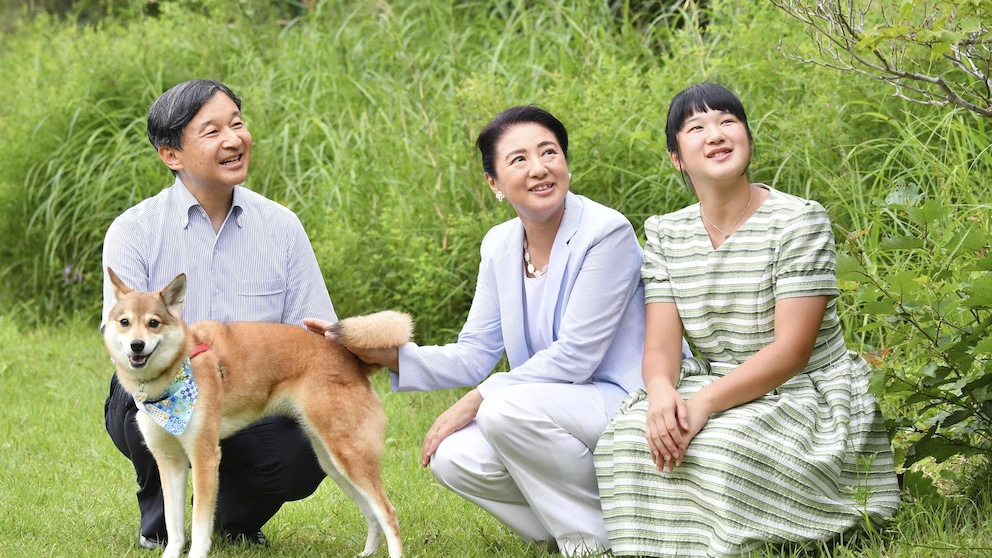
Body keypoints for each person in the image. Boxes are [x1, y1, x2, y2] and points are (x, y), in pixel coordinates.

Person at [306, 105, 690, 556]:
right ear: (494, 183)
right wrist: (383, 354)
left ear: (566, 162)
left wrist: (480, 396)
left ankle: (589, 544)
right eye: (519, 160)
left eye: (549, 152)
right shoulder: (500, 245)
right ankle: (590, 528)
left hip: (624, 397)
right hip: (549, 408)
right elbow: (474, 352)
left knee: (501, 409)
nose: (539, 168)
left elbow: (578, 355)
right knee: (454, 458)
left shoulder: (606, 232)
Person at [593, 82, 902, 557]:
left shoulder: (799, 221)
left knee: (722, 450)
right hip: (718, 381)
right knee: (628, 439)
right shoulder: (666, 233)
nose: (715, 133)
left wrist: (702, 407)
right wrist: (661, 394)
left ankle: (769, 535)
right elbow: (660, 347)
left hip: (804, 392)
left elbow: (792, 351)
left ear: (748, 141)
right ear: (677, 157)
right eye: (696, 127)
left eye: (727, 121)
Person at [102, 79, 337, 550]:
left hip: (252, 391)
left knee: (302, 450)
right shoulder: (134, 230)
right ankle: (162, 525)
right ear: (172, 155)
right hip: (158, 378)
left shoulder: (282, 227)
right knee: (146, 407)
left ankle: (232, 518)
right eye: (212, 131)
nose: (234, 139)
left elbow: (315, 332)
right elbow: (122, 334)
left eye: (238, 123)